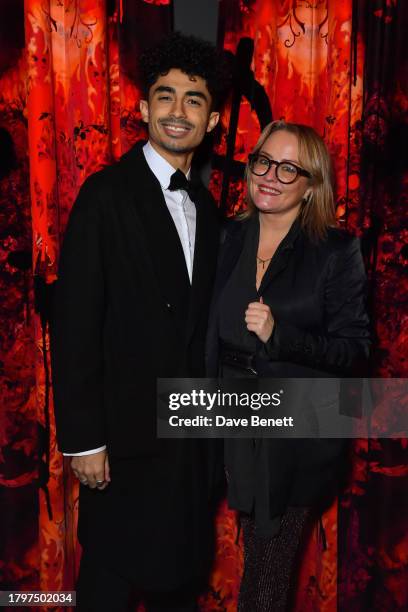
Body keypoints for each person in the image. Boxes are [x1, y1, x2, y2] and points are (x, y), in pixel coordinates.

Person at [51, 32, 228, 611]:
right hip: (121, 441)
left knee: (178, 581)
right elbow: (75, 322)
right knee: (108, 582)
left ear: (213, 120)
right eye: (166, 96)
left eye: (194, 100)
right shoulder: (105, 195)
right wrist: (83, 441)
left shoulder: (208, 208)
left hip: (186, 439)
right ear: (144, 108)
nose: (179, 111)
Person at [206, 120, 371, 611]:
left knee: (266, 577)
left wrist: (282, 337)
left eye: (288, 168)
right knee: (234, 556)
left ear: (311, 184)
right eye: (263, 161)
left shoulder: (336, 252)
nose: (270, 176)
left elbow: (356, 350)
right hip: (224, 421)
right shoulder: (223, 238)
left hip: (294, 435)